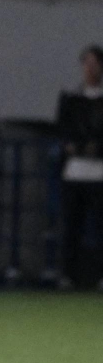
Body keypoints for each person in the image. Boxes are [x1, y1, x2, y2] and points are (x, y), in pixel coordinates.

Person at [56, 45, 103, 290]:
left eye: (95, 63)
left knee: (99, 227)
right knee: (71, 225)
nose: (90, 68)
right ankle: (68, 275)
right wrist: (71, 145)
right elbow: (63, 129)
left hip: (99, 171)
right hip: (74, 171)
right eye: (87, 63)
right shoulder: (72, 98)